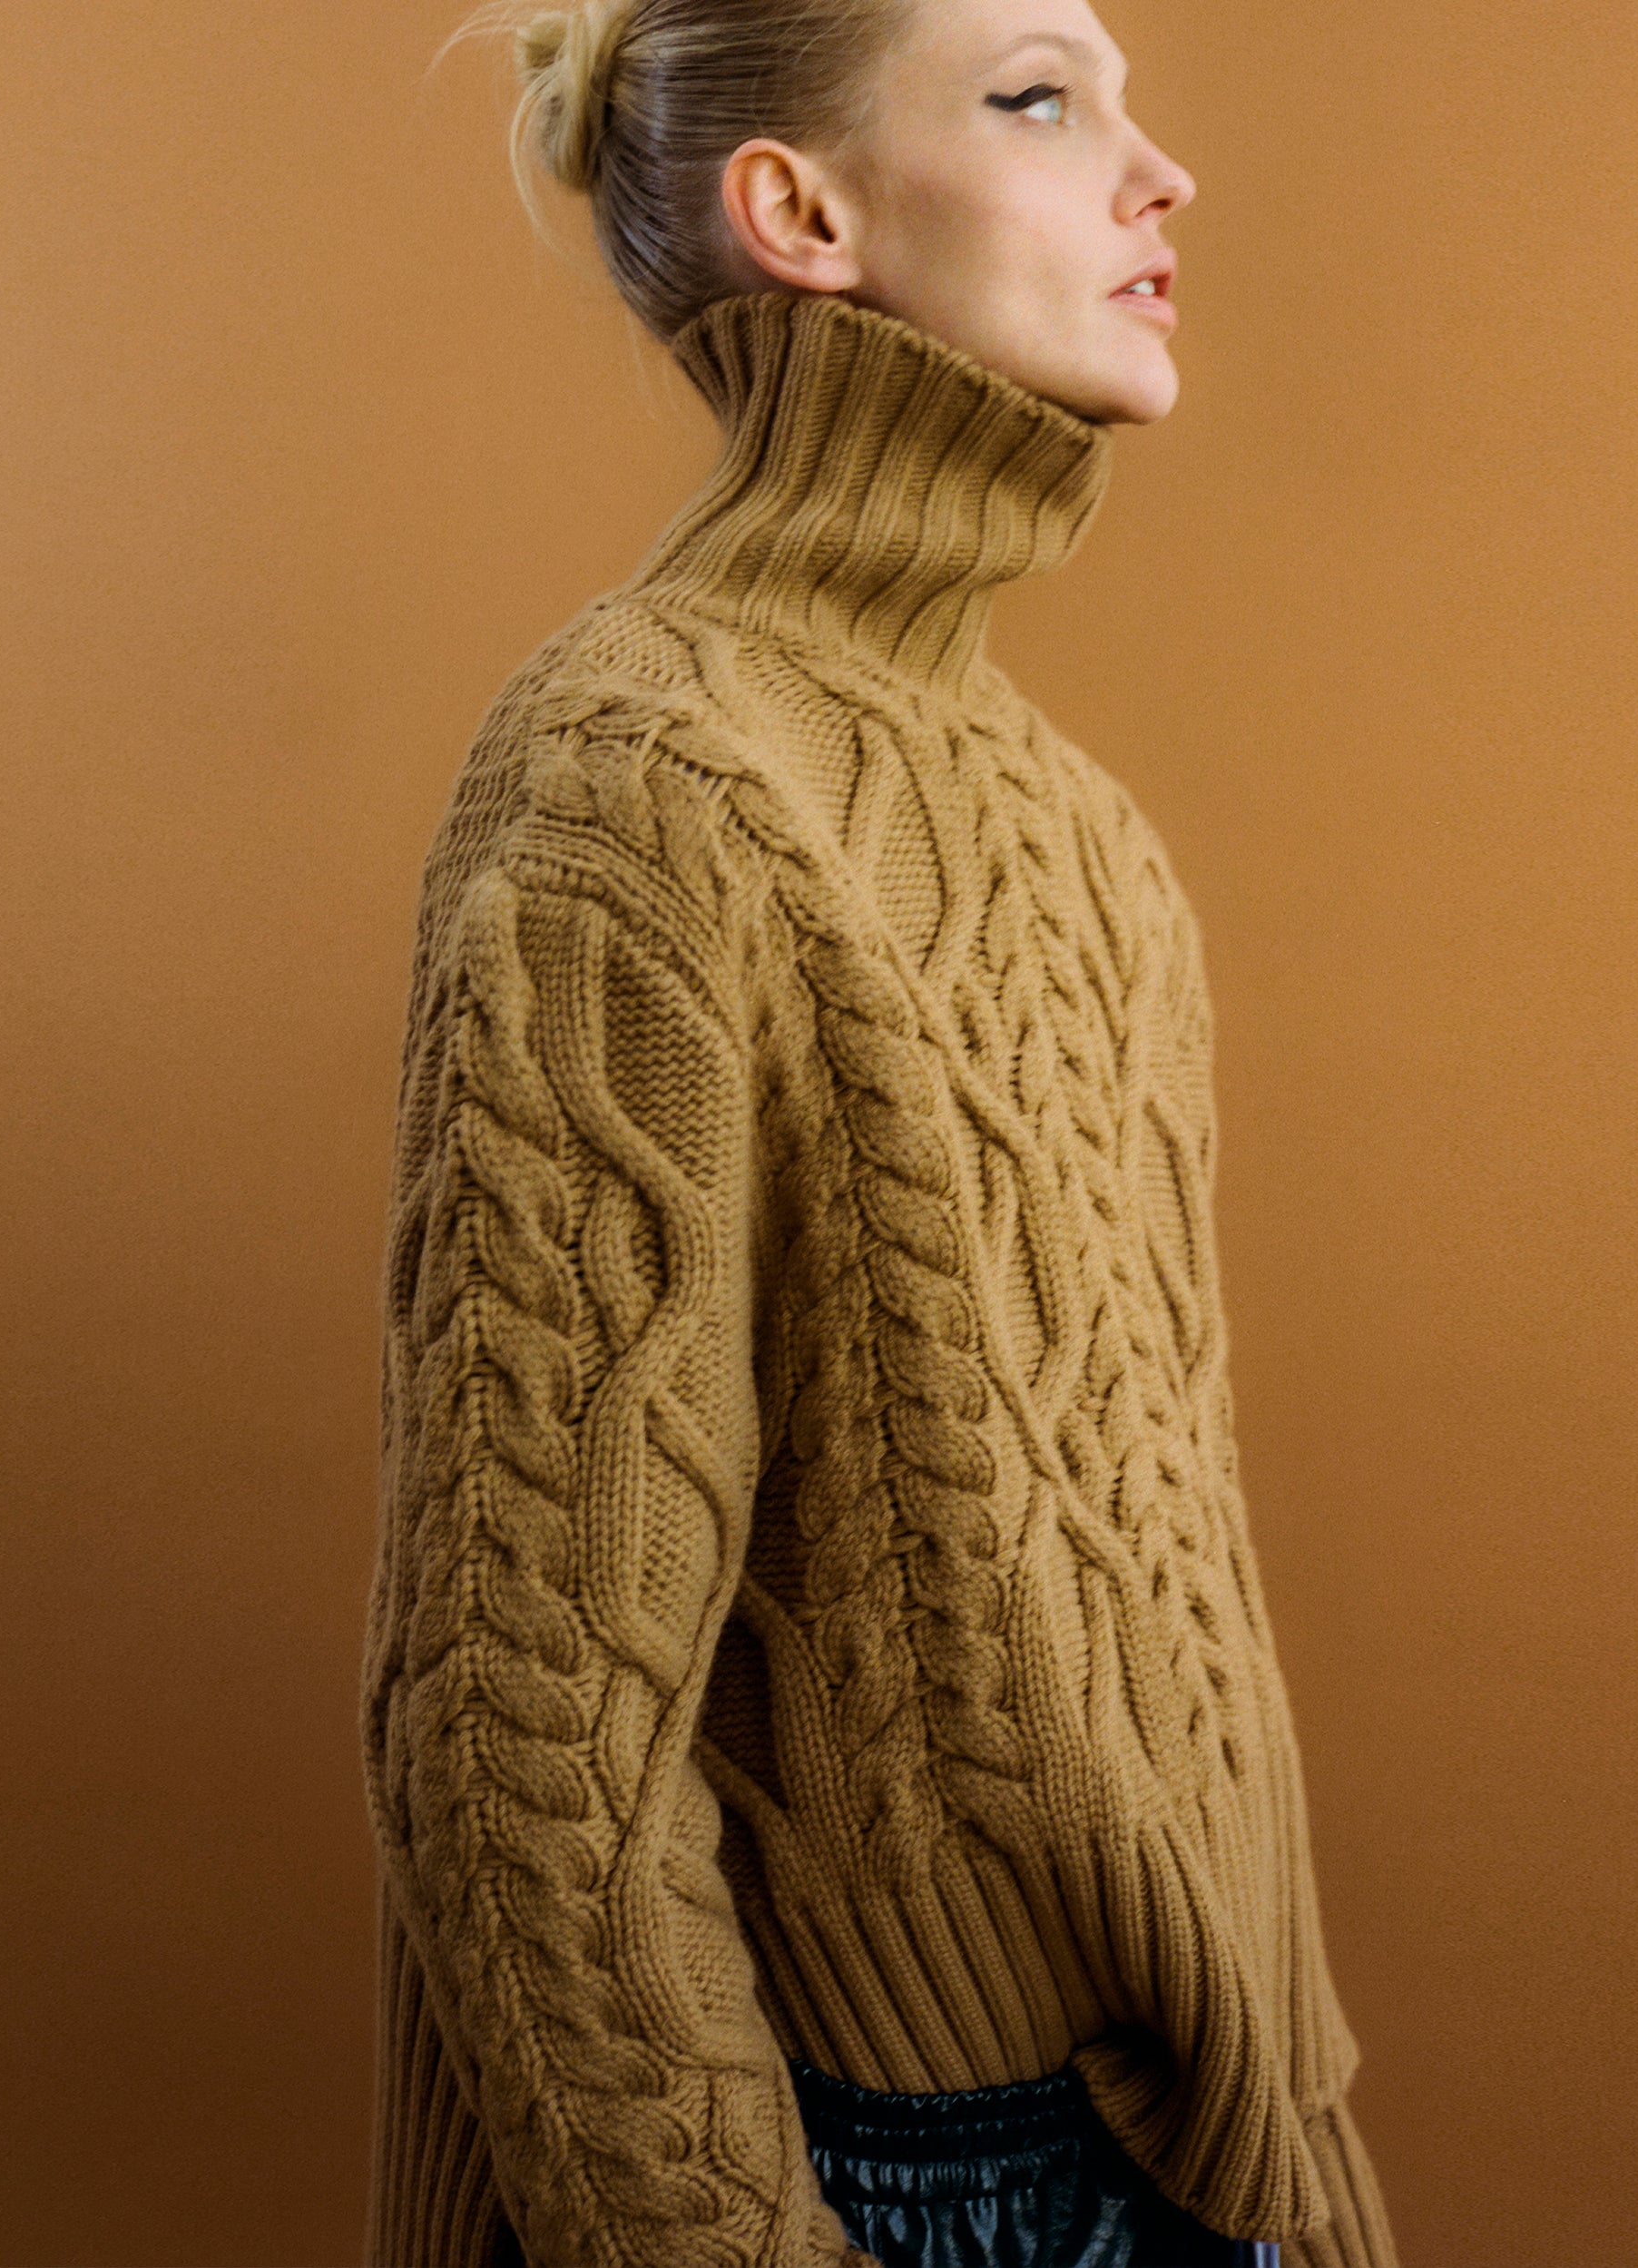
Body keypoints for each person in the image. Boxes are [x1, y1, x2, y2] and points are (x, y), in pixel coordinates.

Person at [358, 2, 1400, 2265]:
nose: (1159, 172)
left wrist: (1302, 2187)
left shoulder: (1081, 834)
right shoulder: (636, 774)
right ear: (800, 212)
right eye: (1039, 96)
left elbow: (1172, 1632)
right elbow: (524, 1742)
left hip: (1198, 2144)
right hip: (886, 2177)